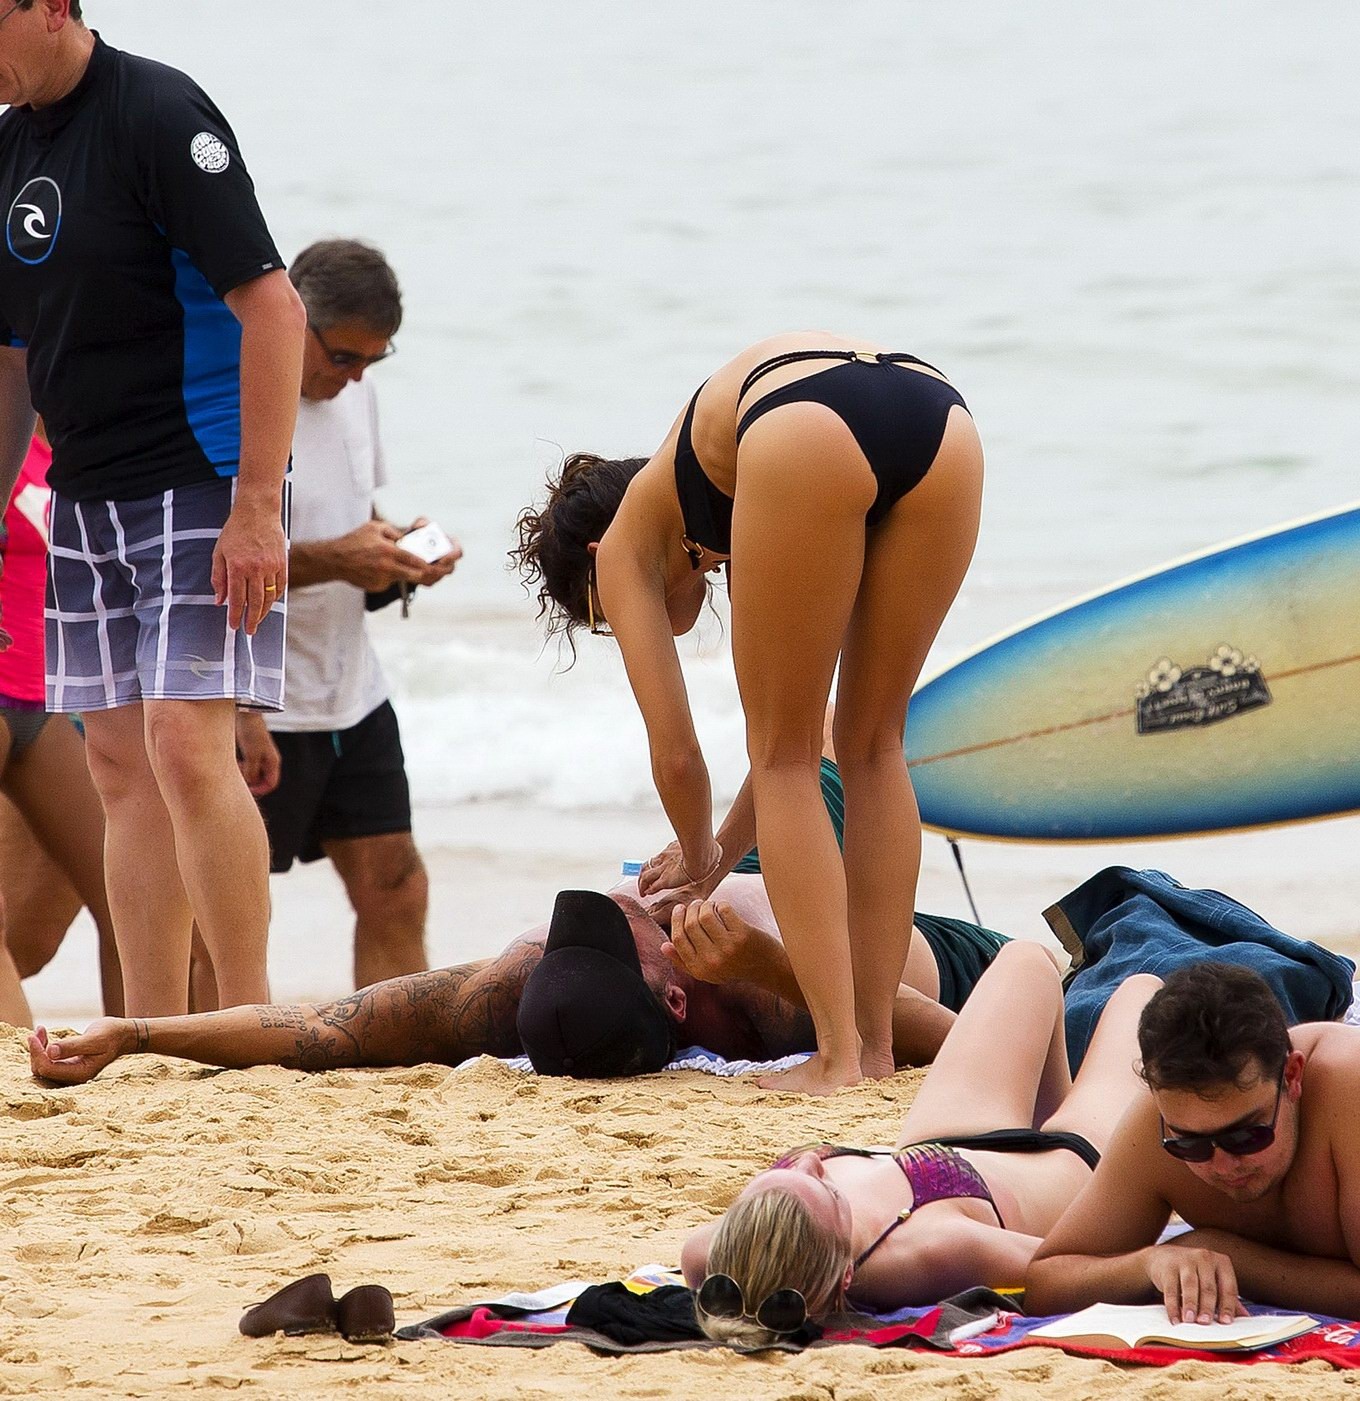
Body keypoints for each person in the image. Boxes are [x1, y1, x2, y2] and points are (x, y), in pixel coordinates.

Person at [513, 333, 983, 1093]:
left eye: (606, 621)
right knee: (874, 746)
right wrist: (724, 850)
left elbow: (678, 756)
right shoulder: (717, 497)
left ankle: (837, 1057)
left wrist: (697, 856)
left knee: (788, 758)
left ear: (596, 558)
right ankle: (873, 1051)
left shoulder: (626, 542)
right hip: (938, 413)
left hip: (804, 422)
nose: (642, 632)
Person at [0, 2, 306, 1015]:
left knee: (184, 742)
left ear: (51, 7)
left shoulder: (159, 110)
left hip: (202, 476)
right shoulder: (8, 150)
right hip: (83, 490)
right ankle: (158, 1024)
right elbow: (12, 360)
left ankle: (250, 1018)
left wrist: (258, 504)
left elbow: (275, 307)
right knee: (118, 767)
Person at [26, 787, 1011, 1084]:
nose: (623, 899)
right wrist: (769, 962)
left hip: (772, 885)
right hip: (935, 955)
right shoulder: (749, 951)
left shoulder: (531, 982)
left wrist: (138, 1033)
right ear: (675, 993)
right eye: (626, 923)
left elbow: (324, 1031)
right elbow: (932, 1033)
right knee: (828, 762)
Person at [680, 941, 1158, 1344]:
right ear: (848, 1274)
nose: (811, 1164)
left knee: (1027, 960)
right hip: (1064, 1169)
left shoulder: (715, 1257)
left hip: (945, 1140)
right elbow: (1064, 1271)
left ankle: (1060, 1098)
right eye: (829, 1192)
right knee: (1144, 994)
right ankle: (1066, 1113)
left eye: (780, 1174)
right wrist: (1162, 1264)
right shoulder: (930, 1251)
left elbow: (716, 1267)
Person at [231, 239, 459, 991]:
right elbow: (203, 562)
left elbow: (356, 513)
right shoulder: (227, 389)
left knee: (396, 884)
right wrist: (338, 558)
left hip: (350, 691)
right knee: (222, 915)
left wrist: (397, 555)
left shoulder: (356, 389)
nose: (358, 376)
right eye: (345, 358)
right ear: (293, 320)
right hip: (250, 695)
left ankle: (400, 1061)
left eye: (375, 360)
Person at [1025, 963, 1360, 1324]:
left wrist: (1226, 1254)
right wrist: (1147, 1264)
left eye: (1246, 1135)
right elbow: (1046, 1283)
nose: (1222, 1165)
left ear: (1292, 1077)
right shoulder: (1153, 1126)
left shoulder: (1347, 1089)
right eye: (1189, 1145)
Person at [0, 426, 121, 1026]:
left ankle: (145, 1074)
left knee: (128, 896)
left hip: (43, 700)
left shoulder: (56, 436)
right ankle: (15, 1086)